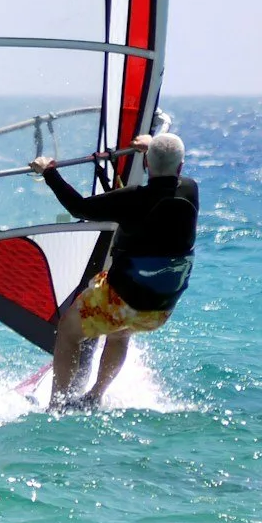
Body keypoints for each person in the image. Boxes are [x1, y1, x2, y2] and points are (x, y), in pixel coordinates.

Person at [30, 129, 199, 409]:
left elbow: (79, 207)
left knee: (69, 331)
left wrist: (49, 172)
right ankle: (95, 395)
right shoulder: (191, 190)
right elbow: (169, 174)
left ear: (147, 163)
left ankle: (57, 404)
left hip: (123, 300)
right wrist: (152, 147)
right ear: (180, 167)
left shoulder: (132, 199)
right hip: (160, 309)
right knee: (120, 331)